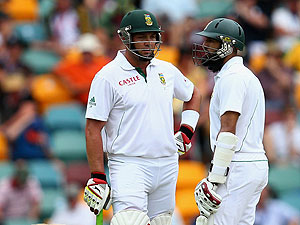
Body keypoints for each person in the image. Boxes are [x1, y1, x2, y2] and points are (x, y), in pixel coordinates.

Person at [83, 9, 201, 225]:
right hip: (129, 164)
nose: (149, 42)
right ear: (126, 38)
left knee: (161, 222)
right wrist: (98, 176)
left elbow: (193, 94)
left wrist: (186, 130)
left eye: (152, 36)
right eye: (142, 37)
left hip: (167, 163)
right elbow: (92, 128)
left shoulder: (166, 69)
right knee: (130, 222)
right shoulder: (107, 77)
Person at [192, 18, 268, 225]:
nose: (205, 47)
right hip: (250, 164)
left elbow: (228, 130)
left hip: (237, 166)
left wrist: (214, 177)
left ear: (228, 46)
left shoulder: (232, 77)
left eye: (211, 42)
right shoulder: (242, 74)